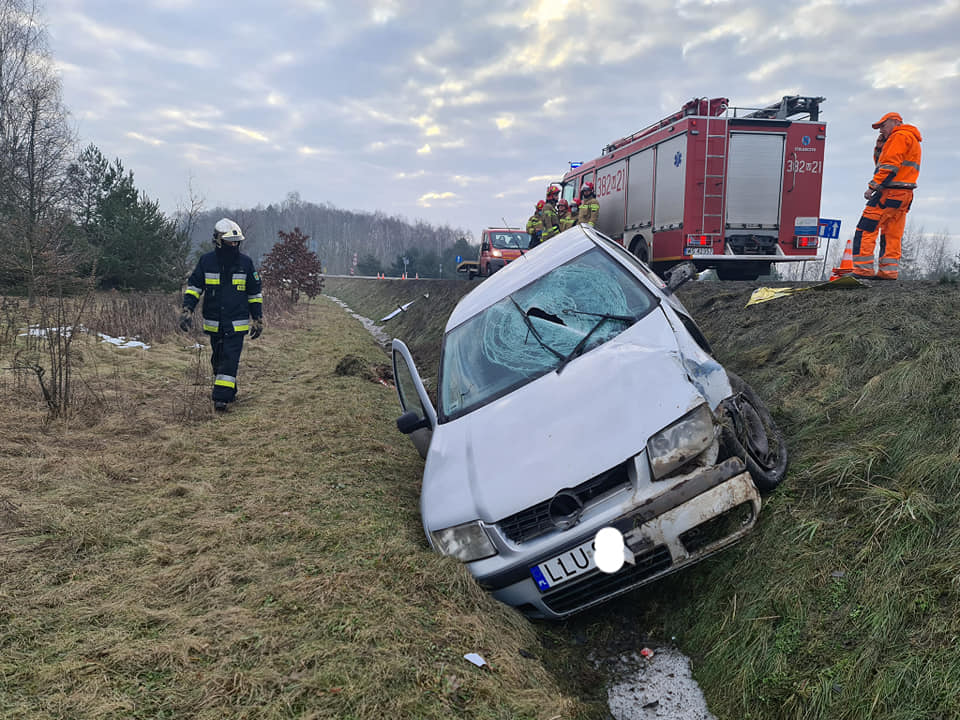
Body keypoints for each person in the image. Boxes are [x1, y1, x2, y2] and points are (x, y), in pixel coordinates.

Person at [179, 218, 264, 412]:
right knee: (218, 361)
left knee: (229, 358)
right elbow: (194, 288)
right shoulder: (206, 261)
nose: (233, 245)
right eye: (229, 241)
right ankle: (229, 389)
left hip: (237, 323)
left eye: (236, 242)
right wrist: (187, 309)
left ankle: (221, 399)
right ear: (218, 240)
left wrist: (258, 319)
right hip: (214, 322)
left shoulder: (246, 263)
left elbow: (254, 293)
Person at [852, 112, 922, 280]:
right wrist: (880, 145)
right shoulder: (911, 138)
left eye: (883, 126)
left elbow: (889, 166)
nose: (880, 130)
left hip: (890, 191)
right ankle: (888, 272)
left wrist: (872, 187)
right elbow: (885, 162)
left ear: (895, 122)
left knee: (865, 228)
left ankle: (863, 270)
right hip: (905, 194)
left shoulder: (898, 137)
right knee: (892, 233)